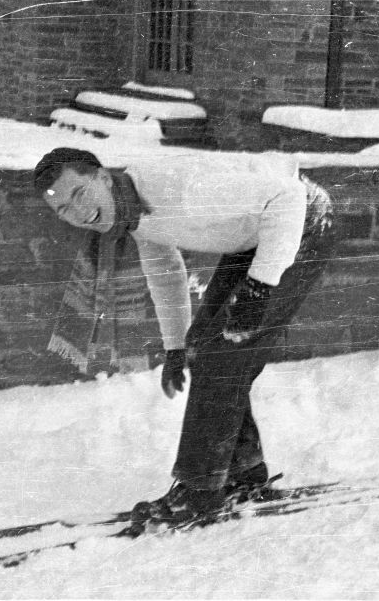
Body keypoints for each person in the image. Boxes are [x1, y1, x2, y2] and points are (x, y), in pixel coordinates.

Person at [34, 147, 336, 526]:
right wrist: (176, 348)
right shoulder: (130, 211)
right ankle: (242, 473)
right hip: (259, 232)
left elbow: (286, 196)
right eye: (63, 209)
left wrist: (259, 288)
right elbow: (164, 272)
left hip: (301, 219)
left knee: (223, 355)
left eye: (79, 193)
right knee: (205, 348)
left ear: (104, 177)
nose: (78, 212)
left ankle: (199, 494)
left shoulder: (181, 189)